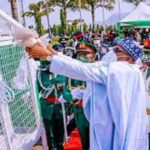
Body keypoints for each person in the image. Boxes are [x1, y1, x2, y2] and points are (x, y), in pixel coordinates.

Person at [26, 37, 148, 150]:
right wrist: (54, 54)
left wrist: (49, 57)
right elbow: (83, 66)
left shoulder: (125, 70)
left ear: (129, 58)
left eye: (118, 50)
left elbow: (85, 70)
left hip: (115, 127)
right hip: (108, 123)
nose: (113, 52)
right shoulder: (120, 69)